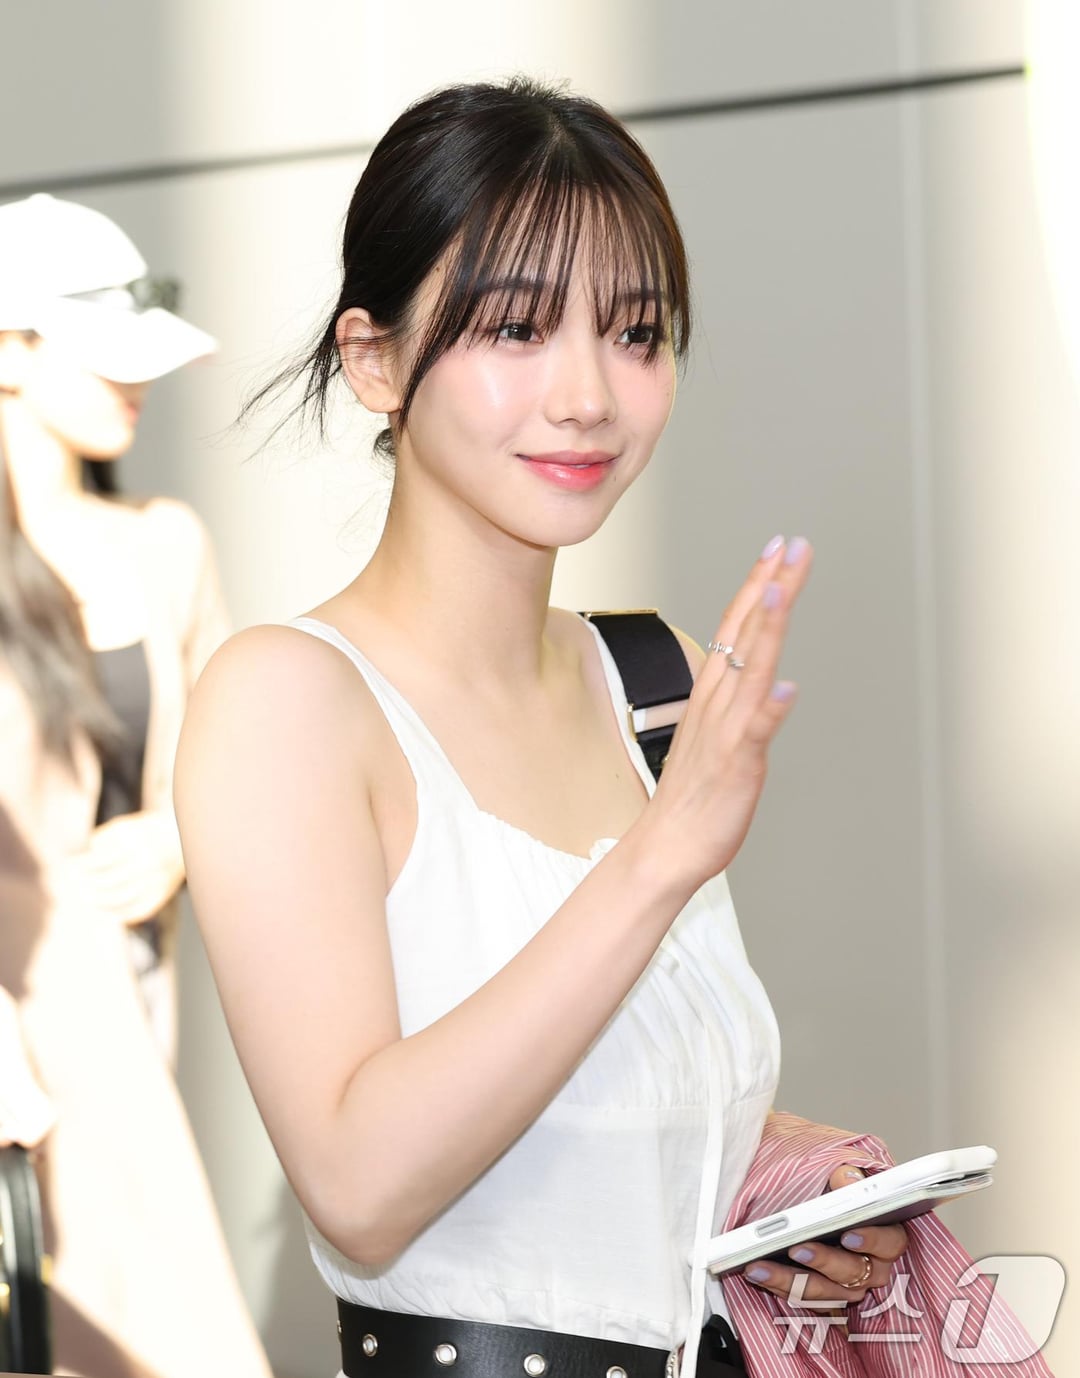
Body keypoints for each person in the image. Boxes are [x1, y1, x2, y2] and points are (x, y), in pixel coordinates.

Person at [174, 79, 907, 1378]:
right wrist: (659, 857)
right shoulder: (286, 698)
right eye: (516, 328)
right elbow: (358, 1183)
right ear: (374, 360)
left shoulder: (656, 680)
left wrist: (772, 1186)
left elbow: (594, 1113)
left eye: (636, 333)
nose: (588, 395)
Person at [0, 193, 273, 1378]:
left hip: (128, 997)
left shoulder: (164, 540)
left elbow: (249, 760)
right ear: (11, 350)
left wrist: (175, 836)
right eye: (102, 350)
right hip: (29, 1018)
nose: (138, 381)